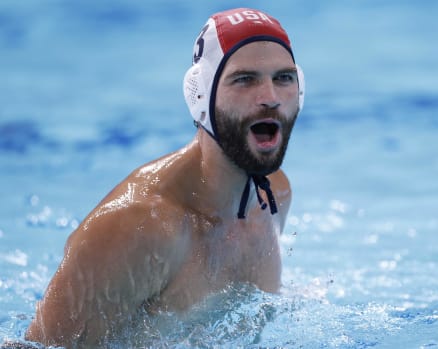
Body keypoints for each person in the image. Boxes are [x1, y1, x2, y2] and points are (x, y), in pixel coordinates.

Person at [24, 7, 304, 348]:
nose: (271, 98)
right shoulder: (137, 228)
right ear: (200, 94)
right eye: (244, 79)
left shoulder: (274, 197)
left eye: (284, 78)